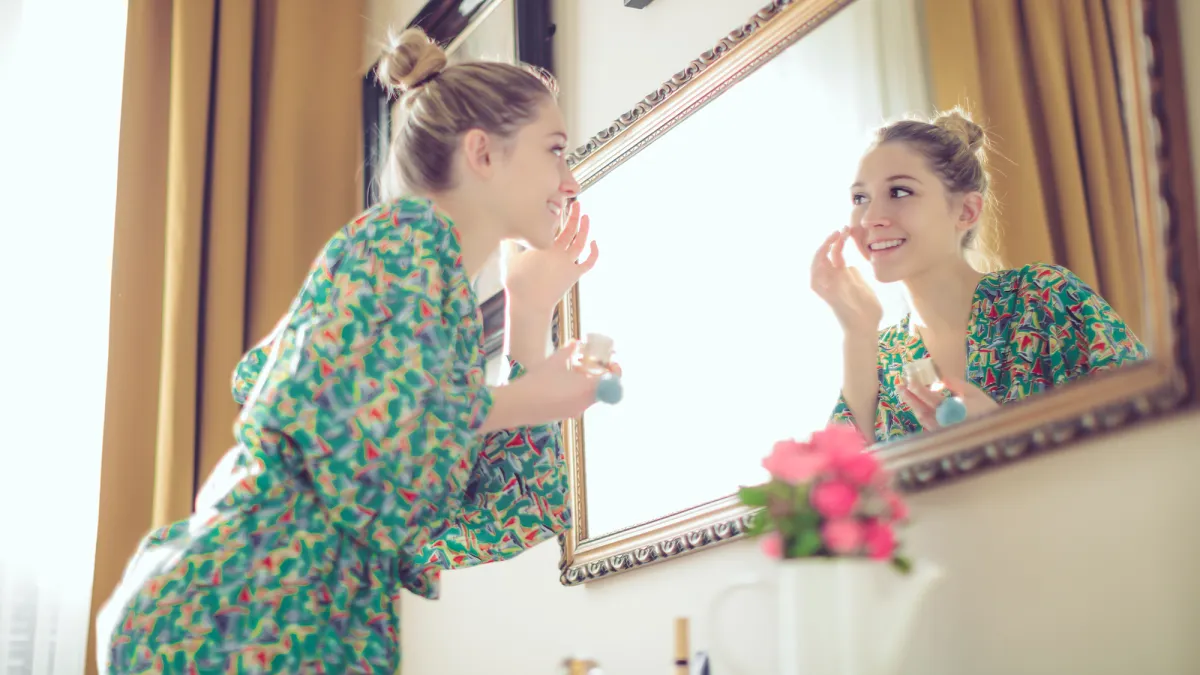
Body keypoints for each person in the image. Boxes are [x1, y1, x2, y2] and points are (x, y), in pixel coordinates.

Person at [96, 28, 611, 673]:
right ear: (483, 152)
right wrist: (519, 398)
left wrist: (529, 320)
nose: (568, 182)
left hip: (309, 624)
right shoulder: (401, 242)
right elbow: (365, 435)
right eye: (555, 151)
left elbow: (514, 514)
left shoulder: (436, 309)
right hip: (237, 613)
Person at [814, 108, 1147, 444]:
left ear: (966, 211)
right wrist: (857, 335)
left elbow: (1152, 425)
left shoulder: (1045, 296)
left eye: (899, 192)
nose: (870, 217)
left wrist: (1000, 429)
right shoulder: (877, 357)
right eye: (860, 198)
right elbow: (844, 486)